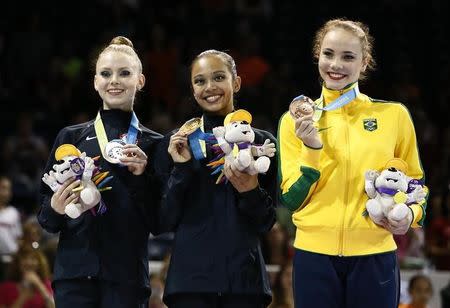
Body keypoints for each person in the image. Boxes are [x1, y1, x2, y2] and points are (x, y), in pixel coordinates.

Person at [277, 18, 428, 308]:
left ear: (364, 62)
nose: (336, 65)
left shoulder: (394, 116)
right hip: (313, 256)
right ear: (317, 55)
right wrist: (311, 148)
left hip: (375, 255)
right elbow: (292, 199)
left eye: (348, 57)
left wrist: (410, 215)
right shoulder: (294, 120)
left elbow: (416, 186)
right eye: (328, 54)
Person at [37, 36, 163, 308]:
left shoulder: (154, 144)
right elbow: (45, 218)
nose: (114, 80)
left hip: (127, 279)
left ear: (140, 81)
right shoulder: (70, 137)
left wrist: (142, 179)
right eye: (106, 73)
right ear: (95, 82)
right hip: (74, 275)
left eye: (124, 73)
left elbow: (159, 222)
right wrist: (56, 208)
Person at [156, 49, 277, 307]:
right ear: (192, 88)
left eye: (219, 77)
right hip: (189, 285)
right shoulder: (177, 143)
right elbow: (164, 220)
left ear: (237, 82)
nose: (209, 87)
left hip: (244, 284)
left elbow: (266, 222)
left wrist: (250, 190)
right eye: (200, 81)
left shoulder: (261, 143)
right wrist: (182, 170)